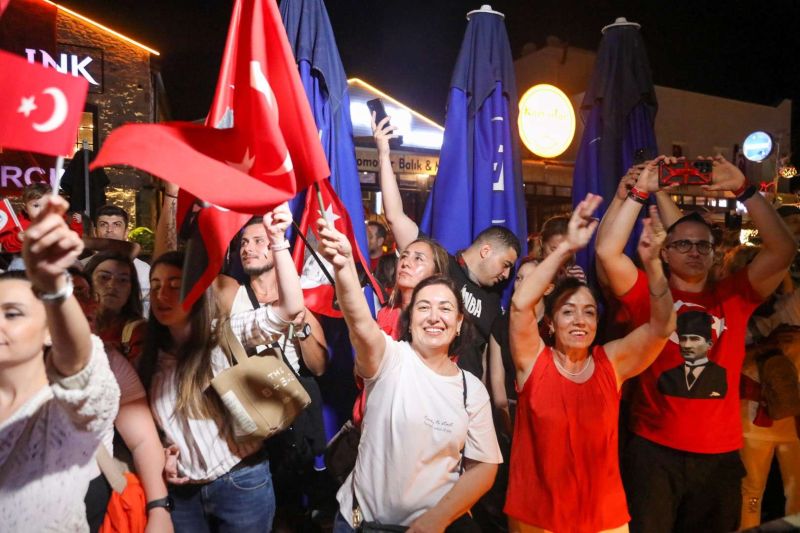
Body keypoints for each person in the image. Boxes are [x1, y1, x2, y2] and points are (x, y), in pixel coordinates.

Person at [595, 155, 796, 532]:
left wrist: (744, 188)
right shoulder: (648, 292)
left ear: (714, 253)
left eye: (703, 246)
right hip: (654, 452)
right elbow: (607, 252)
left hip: (718, 458)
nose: (693, 251)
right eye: (683, 244)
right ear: (665, 251)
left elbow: (783, 249)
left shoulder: (733, 296)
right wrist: (640, 192)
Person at [317, 218, 502, 532]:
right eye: (424, 308)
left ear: (459, 322)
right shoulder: (390, 359)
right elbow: (360, 324)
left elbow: (484, 467)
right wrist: (344, 266)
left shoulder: (470, 390)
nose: (434, 317)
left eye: (445, 309)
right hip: (360, 523)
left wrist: (436, 519)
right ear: (410, 319)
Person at [505, 195, 675, 533]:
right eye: (568, 311)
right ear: (550, 322)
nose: (579, 320)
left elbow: (663, 327)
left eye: (589, 312)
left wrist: (654, 265)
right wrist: (566, 247)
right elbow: (521, 304)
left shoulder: (610, 362)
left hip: (603, 518)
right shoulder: (533, 361)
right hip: (537, 516)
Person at [138, 203, 304, 532]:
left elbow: (290, 308)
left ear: (196, 290)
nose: (161, 294)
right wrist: (165, 453)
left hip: (240, 484)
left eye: (174, 285)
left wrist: (278, 241)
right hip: (183, 494)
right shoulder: (147, 357)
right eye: (155, 285)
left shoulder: (223, 333)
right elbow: (151, 427)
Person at [0, 194, 119, 532]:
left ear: (48, 332)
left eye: (13, 313)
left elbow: (78, 367)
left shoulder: (62, 408)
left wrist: (54, 285)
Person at [373, 114, 520, 379]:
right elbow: (395, 216)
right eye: (506, 264)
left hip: (466, 394)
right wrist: (384, 153)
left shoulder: (493, 301)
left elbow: (488, 361)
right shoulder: (439, 265)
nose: (506, 274)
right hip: (425, 385)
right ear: (486, 251)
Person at [215, 215, 330, 531]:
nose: (248, 248)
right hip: (245, 414)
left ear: (278, 247)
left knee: (289, 509)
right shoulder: (230, 292)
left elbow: (319, 366)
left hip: (289, 418)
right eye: (243, 242)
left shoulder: (297, 299)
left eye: (258, 241)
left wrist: (301, 327)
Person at [0, 183, 82, 270]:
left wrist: (77, 224)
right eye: (36, 206)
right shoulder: (19, 224)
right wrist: (18, 239)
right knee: (19, 264)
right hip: (27, 262)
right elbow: (8, 247)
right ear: (26, 208)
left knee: (74, 263)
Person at [84, 251, 146, 365]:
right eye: (104, 277)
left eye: (122, 280)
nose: (112, 285)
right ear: (87, 282)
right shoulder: (71, 323)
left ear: (131, 289)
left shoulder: (138, 331)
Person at [90, 204, 151, 312]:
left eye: (117, 225)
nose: (110, 230)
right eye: (103, 224)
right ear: (95, 232)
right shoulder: (82, 265)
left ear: (126, 232)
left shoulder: (144, 270)